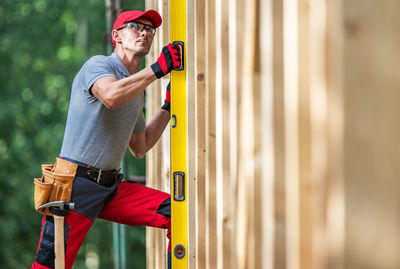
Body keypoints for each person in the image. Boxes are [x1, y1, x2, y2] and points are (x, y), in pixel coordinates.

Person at [32, 9, 181, 269]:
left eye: (149, 29)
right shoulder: (99, 65)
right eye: (136, 26)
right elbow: (111, 96)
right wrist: (157, 70)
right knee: (50, 266)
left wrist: (168, 107)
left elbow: (141, 146)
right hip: (75, 187)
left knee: (175, 213)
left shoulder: (135, 90)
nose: (144, 32)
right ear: (117, 36)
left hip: (110, 189)